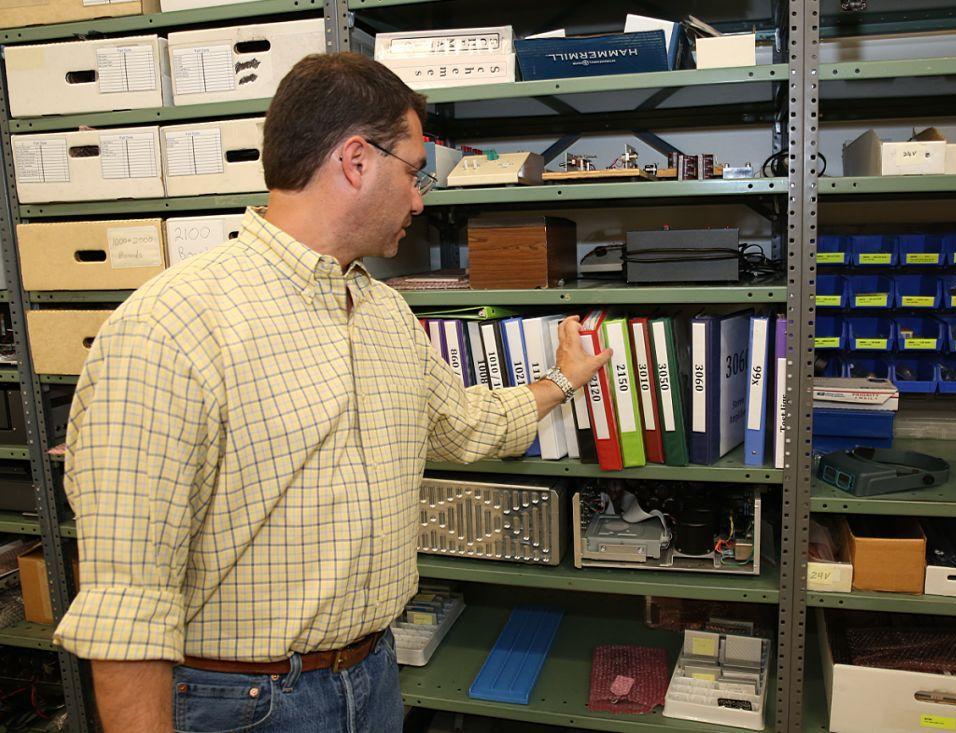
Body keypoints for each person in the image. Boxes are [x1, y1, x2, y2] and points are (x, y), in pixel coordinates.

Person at [54, 52, 610, 733]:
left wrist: (562, 378)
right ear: (355, 160)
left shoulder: (383, 311)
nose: (419, 200)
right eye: (414, 173)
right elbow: (126, 605)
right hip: (241, 705)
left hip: (373, 676)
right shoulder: (171, 325)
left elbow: (465, 425)